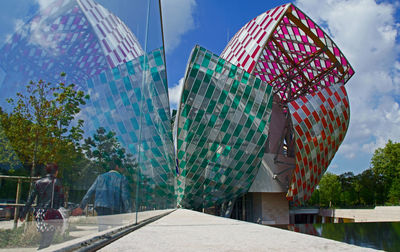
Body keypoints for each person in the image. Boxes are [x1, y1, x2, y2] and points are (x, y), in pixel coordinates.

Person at [72, 159, 131, 231]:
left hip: (101, 207)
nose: (122, 169)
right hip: (115, 209)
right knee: (116, 232)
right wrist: (129, 212)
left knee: (102, 232)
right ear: (117, 167)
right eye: (121, 167)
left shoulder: (100, 177)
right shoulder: (122, 178)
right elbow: (125, 196)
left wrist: (81, 207)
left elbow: (90, 192)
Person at [20, 163, 64, 250]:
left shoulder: (38, 182)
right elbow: (61, 199)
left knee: (45, 238)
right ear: (56, 171)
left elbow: (30, 199)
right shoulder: (57, 182)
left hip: (39, 213)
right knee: (47, 240)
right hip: (50, 214)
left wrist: (23, 214)